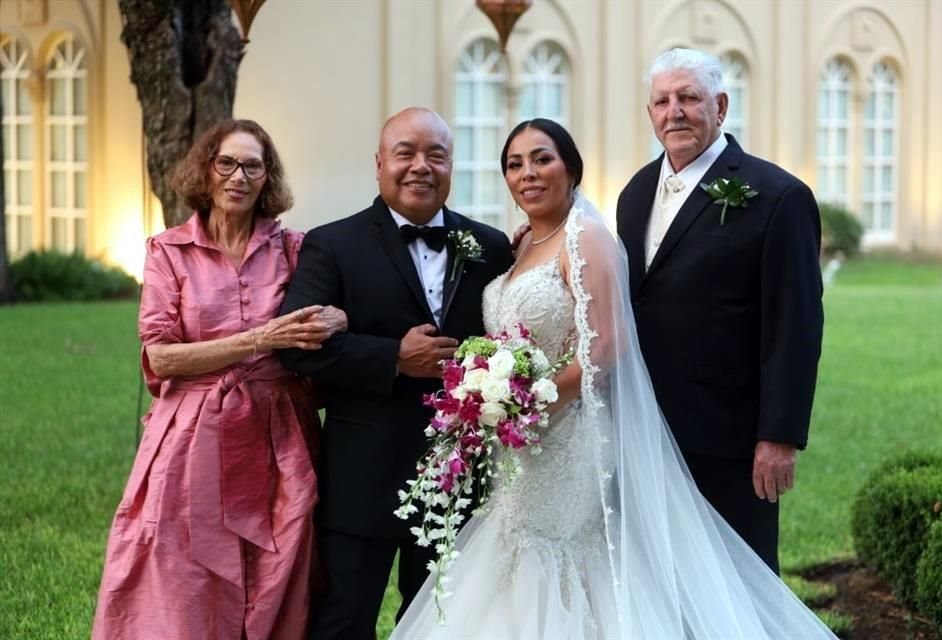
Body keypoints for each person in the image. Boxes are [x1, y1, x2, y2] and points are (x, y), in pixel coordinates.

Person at [391, 118, 835, 639]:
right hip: (520, 445)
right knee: (510, 548)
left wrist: (532, 403)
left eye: (542, 159)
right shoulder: (521, 247)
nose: (528, 173)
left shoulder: (589, 238)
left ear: (572, 169)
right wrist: (489, 397)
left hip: (568, 437)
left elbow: (609, 341)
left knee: (565, 556)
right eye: (514, 164)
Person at [92, 119, 347, 640]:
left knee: (280, 559)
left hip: (279, 431)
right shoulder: (168, 251)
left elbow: (346, 307)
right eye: (226, 163)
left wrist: (337, 318)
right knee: (184, 568)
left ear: (267, 177)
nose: (239, 176)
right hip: (191, 434)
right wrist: (260, 339)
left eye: (253, 165)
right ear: (206, 171)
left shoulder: (294, 249)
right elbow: (161, 357)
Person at [276, 107, 513, 640]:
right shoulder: (332, 244)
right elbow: (296, 349)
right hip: (363, 470)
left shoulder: (491, 247)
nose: (420, 167)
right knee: (344, 617)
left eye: (436, 154)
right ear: (379, 164)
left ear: (452, 166)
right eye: (405, 153)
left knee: (443, 621)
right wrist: (392, 358)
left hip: (456, 476)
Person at [617, 48, 824, 572]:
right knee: (658, 583)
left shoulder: (778, 196)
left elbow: (795, 324)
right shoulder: (635, 192)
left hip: (731, 440)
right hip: (645, 431)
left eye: (689, 97)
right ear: (649, 114)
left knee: (740, 588)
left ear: (722, 106)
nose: (675, 111)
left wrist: (778, 435)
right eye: (662, 101)